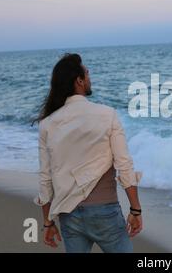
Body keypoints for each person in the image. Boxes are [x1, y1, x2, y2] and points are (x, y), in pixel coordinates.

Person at [31, 53, 143, 253]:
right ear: (79, 81)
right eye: (87, 73)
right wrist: (135, 209)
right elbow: (123, 165)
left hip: (69, 214)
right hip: (105, 213)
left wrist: (47, 222)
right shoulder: (108, 115)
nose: (90, 77)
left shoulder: (47, 124)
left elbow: (45, 178)